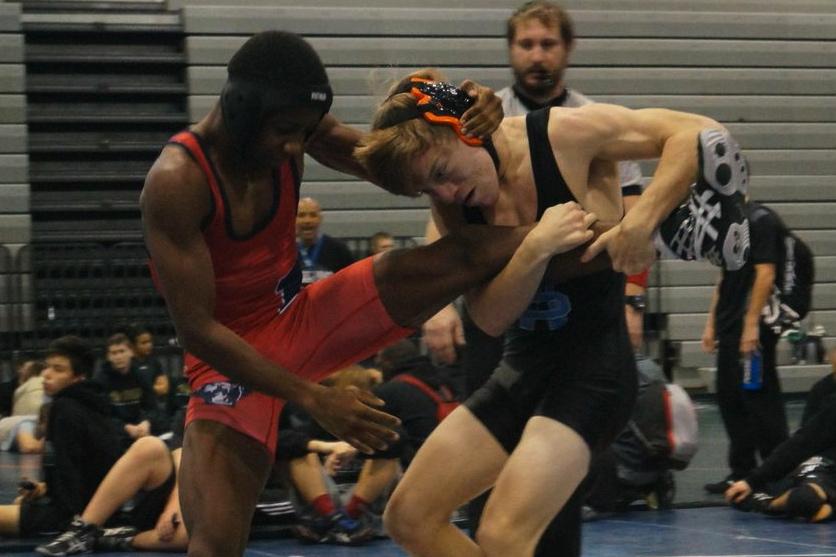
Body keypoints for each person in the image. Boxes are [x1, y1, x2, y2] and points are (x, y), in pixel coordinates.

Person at [140, 30, 598, 557]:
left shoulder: (293, 130)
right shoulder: (178, 181)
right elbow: (198, 330)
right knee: (215, 543)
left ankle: (623, 233)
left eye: (305, 132)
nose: (296, 147)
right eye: (286, 132)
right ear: (241, 109)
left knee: (462, 253)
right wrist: (316, 398)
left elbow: (394, 153)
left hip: (300, 318)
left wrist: (462, 105)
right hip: (228, 358)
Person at [353, 71, 749, 556]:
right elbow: (489, 318)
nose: (447, 195)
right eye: (429, 190)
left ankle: (670, 227)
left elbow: (696, 132)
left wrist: (641, 221)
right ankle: (679, 231)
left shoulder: (561, 134)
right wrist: (534, 248)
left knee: (502, 534)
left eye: (441, 173)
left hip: (594, 375)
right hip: (523, 370)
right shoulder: (455, 206)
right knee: (409, 516)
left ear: (464, 130)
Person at [421, 0, 646, 369]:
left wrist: (633, 300)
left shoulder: (593, 121)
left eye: (548, 44)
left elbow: (635, 218)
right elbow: (447, 213)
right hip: (500, 296)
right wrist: (439, 302)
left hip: (580, 298)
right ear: (511, 49)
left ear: (567, 48)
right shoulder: (477, 121)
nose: (537, 56)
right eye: (526, 45)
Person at [702, 200, 814, 494]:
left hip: (758, 316)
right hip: (732, 318)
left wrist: (752, 325)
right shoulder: (726, 226)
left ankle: (775, 472)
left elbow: (766, 272)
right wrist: (712, 323)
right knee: (729, 394)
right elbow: (723, 278)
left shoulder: (760, 220)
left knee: (759, 395)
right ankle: (742, 471)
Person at [0, 336, 124, 538]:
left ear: (79, 377)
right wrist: (42, 489)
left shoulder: (64, 408)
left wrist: (60, 516)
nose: (46, 375)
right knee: (19, 504)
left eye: (58, 369)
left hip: (74, 516)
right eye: (47, 367)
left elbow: (71, 489)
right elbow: (83, 469)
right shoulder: (95, 404)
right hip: (101, 509)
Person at [36, 436, 187, 555]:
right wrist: (173, 507)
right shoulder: (205, 406)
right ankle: (84, 530)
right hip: (178, 500)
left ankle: (119, 539)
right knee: (150, 448)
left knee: (191, 537)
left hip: (190, 526)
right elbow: (183, 455)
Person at [95, 333, 165, 442]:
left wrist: (146, 422)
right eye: (114, 353)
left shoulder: (141, 376)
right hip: (114, 435)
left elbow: (152, 407)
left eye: (122, 351)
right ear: (108, 357)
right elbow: (102, 416)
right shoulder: (101, 380)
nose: (118, 357)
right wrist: (125, 428)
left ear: (131, 352)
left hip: (141, 431)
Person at [296, 196, 356, 285]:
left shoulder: (338, 250)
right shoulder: (285, 252)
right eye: (301, 215)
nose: (307, 220)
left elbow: (352, 282)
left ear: (320, 219)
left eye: (313, 215)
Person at [129, 324, 169, 404]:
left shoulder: (154, 362)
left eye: (150, 342)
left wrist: (144, 391)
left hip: (152, 405)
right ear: (133, 345)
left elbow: (164, 388)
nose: (149, 345)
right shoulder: (128, 364)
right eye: (144, 343)